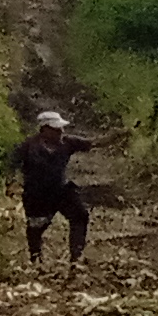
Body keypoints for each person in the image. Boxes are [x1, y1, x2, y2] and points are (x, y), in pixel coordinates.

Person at [6, 110, 92, 268]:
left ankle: (76, 256)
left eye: (61, 128)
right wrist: (10, 184)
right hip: (36, 194)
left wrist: (118, 136)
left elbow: (92, 143)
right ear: (44, 129)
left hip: (61, 191)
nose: (61, 131)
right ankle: (36, 258)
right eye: (56, 129)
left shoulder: (68, 142)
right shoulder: (28, 146)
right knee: (36, 227)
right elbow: (11, 165)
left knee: (80, 216)